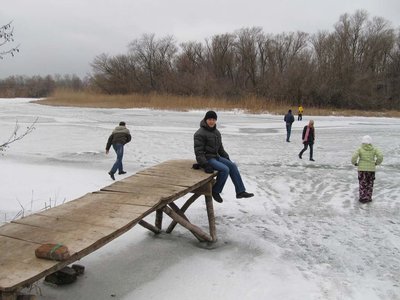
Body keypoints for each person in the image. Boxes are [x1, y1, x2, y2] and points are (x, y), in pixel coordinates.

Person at [194, 110, 254, 203]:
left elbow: (220, 148)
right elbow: (199, 152)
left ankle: (240, 191)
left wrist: (227, 158)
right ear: (206, 120)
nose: (212, 121)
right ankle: (215, 191)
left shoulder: (216, 132)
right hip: (207, 159)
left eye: (213, 119)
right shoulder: (200, 133)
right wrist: (205, 164)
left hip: (215, 156)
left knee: (232, 166)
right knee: (225, 169)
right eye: (209, 119)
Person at [351, 135, 383, 203]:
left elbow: (354, 157)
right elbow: (380, 156)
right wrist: (377, 163)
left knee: (362, 183)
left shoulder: (359, 149)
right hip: (371, 169)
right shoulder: (374, 149)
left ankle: (362, 198)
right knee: (370, 183)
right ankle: (368, 198)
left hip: (362, 169)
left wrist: (355, 163)